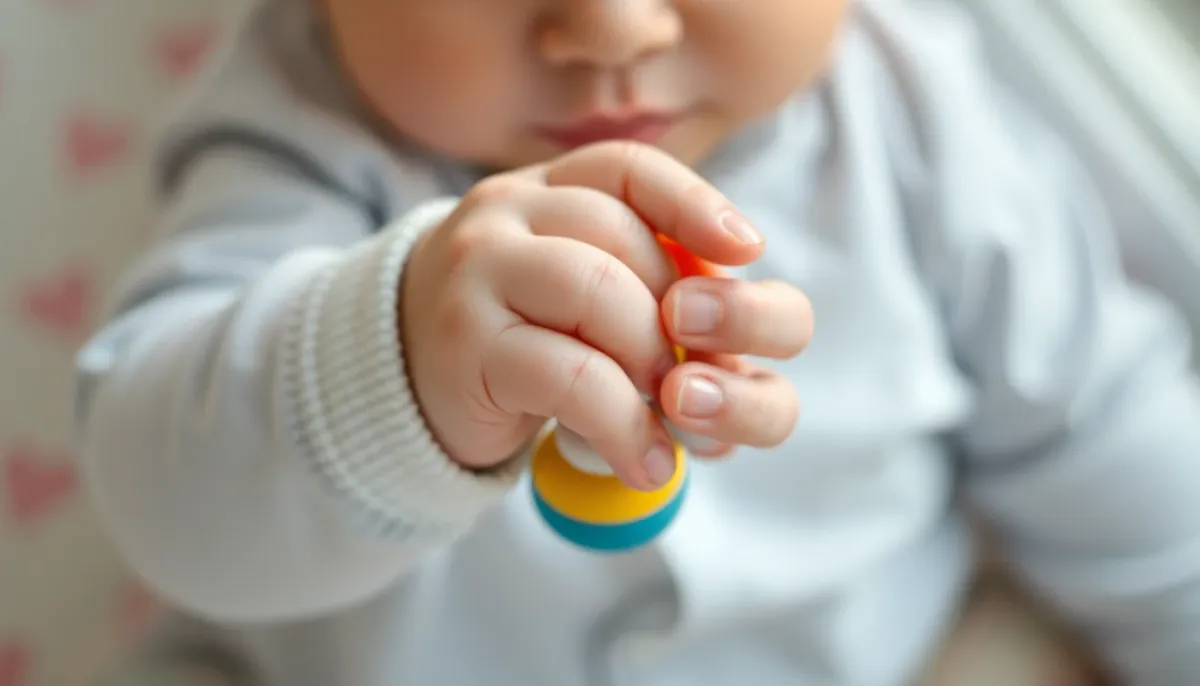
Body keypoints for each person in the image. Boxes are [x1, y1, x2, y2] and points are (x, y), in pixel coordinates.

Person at [76, 0, 1200, 684]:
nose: (614, 26)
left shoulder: (908, 110)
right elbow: (158, 500)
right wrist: (390, 364)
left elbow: (1103, 427)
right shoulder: (304, 131)